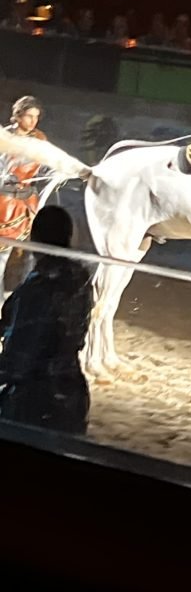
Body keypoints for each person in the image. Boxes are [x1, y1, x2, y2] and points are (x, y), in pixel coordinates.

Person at [0, 205, 92, 435]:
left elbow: (18, 361)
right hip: (72, 392)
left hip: (34, 403)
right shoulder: (80, 278)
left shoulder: (38, 289)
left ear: (34, 239)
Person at [0, 96, 48, 300]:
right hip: (4, 203)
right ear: (18, 115)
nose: (33, 121)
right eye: (29, 116)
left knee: (29, 255)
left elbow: (46, 162)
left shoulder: (39, 138)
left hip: (28, 204)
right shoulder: (4, 137)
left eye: (36, 117)